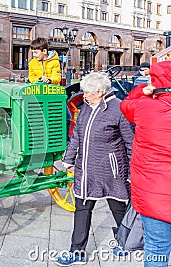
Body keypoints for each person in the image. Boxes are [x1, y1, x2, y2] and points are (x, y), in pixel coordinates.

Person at [56, 72, 133, 266]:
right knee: (82, 208)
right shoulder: (87, 108)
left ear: (99, 92)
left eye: (87, 92)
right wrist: (69, 158)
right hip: (86, 169)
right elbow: (77, 136)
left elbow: (130, 143)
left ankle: (126, 242)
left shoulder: (118, 109)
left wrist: (132, 172)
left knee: (118, 206)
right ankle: (77, 252)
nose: (84, 95)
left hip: (111, 169)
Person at [120, 61, 171, 267]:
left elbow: (125, 105)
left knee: (156, 248)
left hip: (154, 195)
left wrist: (143, 90)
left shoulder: (145, 107)